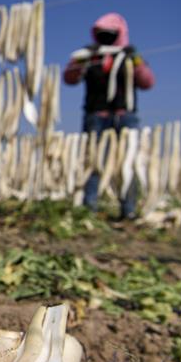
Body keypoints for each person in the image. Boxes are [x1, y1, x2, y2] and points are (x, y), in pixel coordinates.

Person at [64, 12, 154, 219]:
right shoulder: (91, 57)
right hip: (96, 116)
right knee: (93, 162)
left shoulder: (130, 58)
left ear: (120, 33)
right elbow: (69, 79)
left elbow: (147, 82)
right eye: (102, 33)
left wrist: (137, 61)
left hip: (125, 116)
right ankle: (89, 208)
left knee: (127, 163)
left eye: (111, 33)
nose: (106, 37)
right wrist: (79, 60)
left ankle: (128, 210)